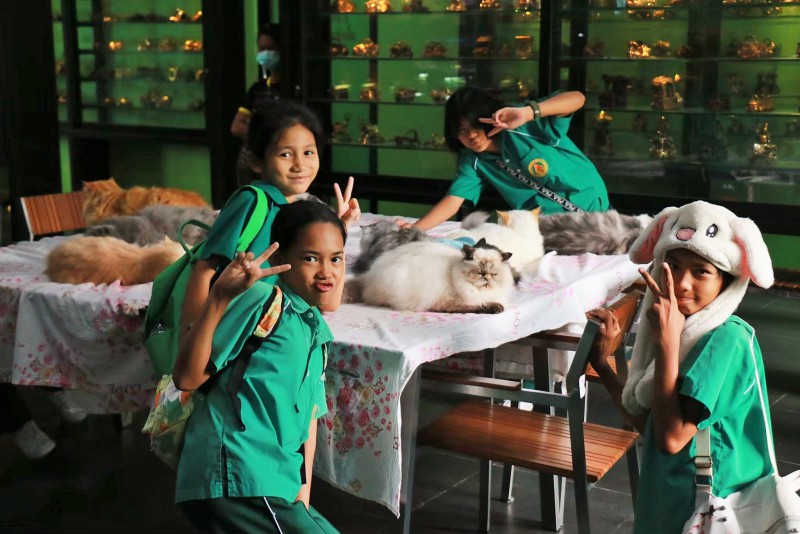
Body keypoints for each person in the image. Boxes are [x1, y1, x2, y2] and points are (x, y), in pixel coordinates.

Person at [586, 201, 776, 533]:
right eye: (672, 266)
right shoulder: (687, 330)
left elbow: (671, 439)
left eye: (701, 271)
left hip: (707, 510)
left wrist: (668, 342)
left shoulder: (724, 340)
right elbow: (649, 424)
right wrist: (602, 364)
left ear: (726, 280)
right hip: (666, 501)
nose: (682, 283)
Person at [173, 200, 345, 533]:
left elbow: (307, 423)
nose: (327, 272)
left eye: (335, 259)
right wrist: (219, 297)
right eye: (310, 258)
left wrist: (301, 501)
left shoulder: (314, 329)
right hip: (236, 476)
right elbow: (186, 377)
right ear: (279, 259)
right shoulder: (263, 299)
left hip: (274, 484)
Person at [182, 98, 359, 337]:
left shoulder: (300, 212)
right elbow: (204, 269)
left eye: (308, 152)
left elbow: (328, 303)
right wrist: (191, 339)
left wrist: (339, 231)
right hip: (236, 338)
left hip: (272, 336)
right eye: (286, 154)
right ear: (256, 161)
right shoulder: (251, 201)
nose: (300, 165)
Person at [409, 87, 610, 230]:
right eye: (462, 131)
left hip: (591, 208)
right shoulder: (473, 160)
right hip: (548, 227)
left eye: (476, 126)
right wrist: (414, 230)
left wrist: (529, 112)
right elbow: (453, 200)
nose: (471, 136)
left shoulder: (524, 125)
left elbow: (577, 98)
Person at [231, 24, 284, 185]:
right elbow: (237, 127)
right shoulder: (257, 89)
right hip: (253, 164)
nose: (266, 53)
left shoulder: (293, 88)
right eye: (262, 49)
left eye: (271, 48)